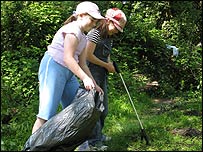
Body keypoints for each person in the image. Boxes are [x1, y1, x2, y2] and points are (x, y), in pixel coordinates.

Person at [31, 1, 104, 134]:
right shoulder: (72, 30)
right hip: (54, 68)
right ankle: (31, 147)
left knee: (78, 111)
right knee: (46, 115)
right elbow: (68, 58)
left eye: (96, 21)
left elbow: (82, 64)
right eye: (92, 19)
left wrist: (93, 82)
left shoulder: (83, 36)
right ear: (81, 15)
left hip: (68, 73)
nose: (94, 24)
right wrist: (84, 78)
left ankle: (83, 147)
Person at [77, 8, 127, 151]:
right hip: (91, 73)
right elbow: (88, 56)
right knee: (95, 108)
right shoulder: (95, 33)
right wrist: (106, 65)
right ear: (108, 21)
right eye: (116, 28)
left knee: (103, 109)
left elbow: (107, 54)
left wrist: (109, 64)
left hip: (102, 73)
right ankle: (94, 141)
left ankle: (99, 135)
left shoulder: (109, 36)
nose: (117, 31)